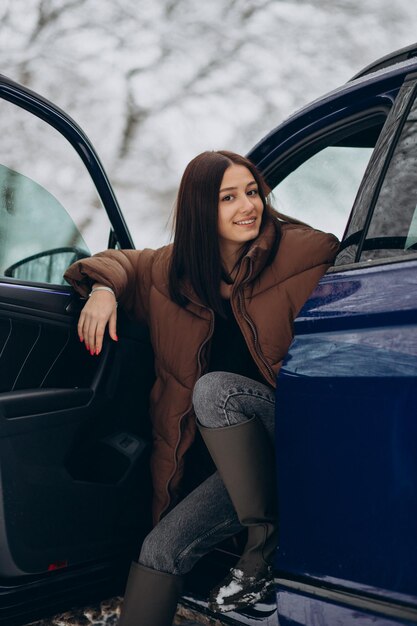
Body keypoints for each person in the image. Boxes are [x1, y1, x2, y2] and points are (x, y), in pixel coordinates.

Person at [64, 150, 339, 626]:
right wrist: (104, 289)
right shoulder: (172, 272)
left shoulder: (307, 253)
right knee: (159, 550)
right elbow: (123, 264)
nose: (247, 206)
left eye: (252, 192)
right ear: (198, 211)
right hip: (247, 467)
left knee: (216, 391)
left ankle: (264, 548)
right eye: (228, 197)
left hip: (298, 434)